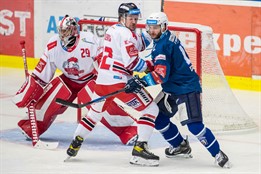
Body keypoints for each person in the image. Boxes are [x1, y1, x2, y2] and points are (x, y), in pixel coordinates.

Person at [12, 15, 138, 146]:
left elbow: (104, 62)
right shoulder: (53, 45)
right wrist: (32, 87)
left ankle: (127, 130)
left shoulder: (89, 40)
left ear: (74, 31)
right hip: (68, 80)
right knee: (55, 90)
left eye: (66, 31)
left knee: (98, 99)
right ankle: (31, 125)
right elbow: (41, 75)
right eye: (61, 31)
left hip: (90, 79)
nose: (62, 34)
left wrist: (113, 78)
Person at [128, 12, 231, 168]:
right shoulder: (163, 39)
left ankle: (218, 154)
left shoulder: (163, 45)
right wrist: (146, 69)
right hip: (172, 87)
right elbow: (162, 65)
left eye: (156, 27)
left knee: (194, 126)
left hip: (185, 88)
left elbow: (161, 75)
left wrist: (141, 81)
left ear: (164, 27)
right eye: (150, 27)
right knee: (158, 119)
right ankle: (179, 146)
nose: (152, 31)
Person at [66, 3, 160, 166]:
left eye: (136, 18)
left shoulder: (113, 30)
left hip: (102, 82)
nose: (134, 21)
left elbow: (138, 42)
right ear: (122, 17)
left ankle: (76, 142)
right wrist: (151, 65)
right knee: (151, 109)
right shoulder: (127, 35)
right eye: (131, 18)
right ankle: (139, 151)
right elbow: (132, 63)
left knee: (94, 115)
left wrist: (151, 33)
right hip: (120, 83)